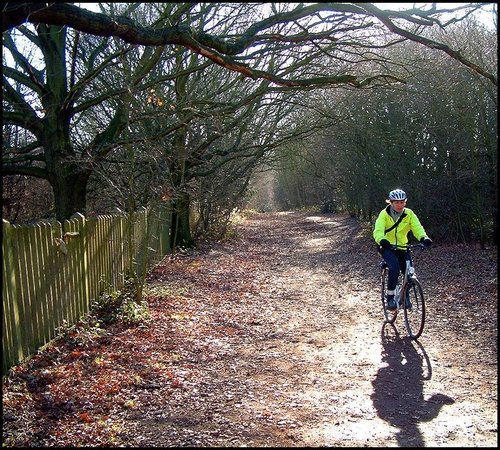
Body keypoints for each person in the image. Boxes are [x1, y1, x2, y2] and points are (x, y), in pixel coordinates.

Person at [373, 189, 432, 310]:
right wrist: (382, 240)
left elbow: (417, 227)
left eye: (402, 202)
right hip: (386, 246)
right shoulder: (384, 214)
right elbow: (378, 230)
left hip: (403, 246)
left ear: (405, 202)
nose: (399, 205)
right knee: (394, 268)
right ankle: (390, 298)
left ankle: (405, 296)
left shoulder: (409, 214)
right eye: (396, 202)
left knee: (409, 272)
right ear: (391, 203)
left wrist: (423, 238)